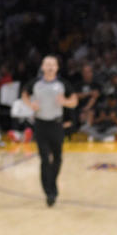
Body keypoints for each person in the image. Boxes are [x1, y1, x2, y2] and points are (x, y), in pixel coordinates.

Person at [22, 56, 79, 207]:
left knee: (58, 158)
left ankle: (52, 183)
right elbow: (24, 95)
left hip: (56, 125)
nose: (50, 67)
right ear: (42, 67)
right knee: (45, 159)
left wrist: (65, 102)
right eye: (47, 64)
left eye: (53, 64)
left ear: (57, 67)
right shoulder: (35, 83)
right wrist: (30, 104)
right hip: (41, 125)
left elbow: (74, 101)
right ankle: (49, 192)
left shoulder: (63, 84)